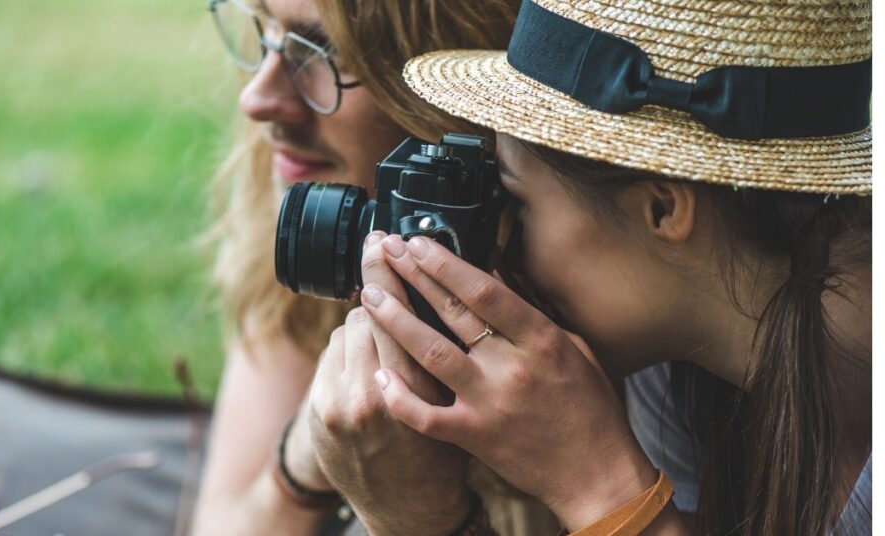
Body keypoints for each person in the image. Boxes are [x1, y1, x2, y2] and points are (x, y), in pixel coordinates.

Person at [303, 0, 871, 534]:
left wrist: (600, 484)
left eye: (516, 206)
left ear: (661, 207)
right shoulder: (676, 369)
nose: (501, 259)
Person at [193, 0, 560, 534]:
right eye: (266, 36)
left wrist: (419, 518)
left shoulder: (593, 310)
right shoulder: (310, 221)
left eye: (324, 51)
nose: (257, 99)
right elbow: (219, 524)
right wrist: (299, 466)